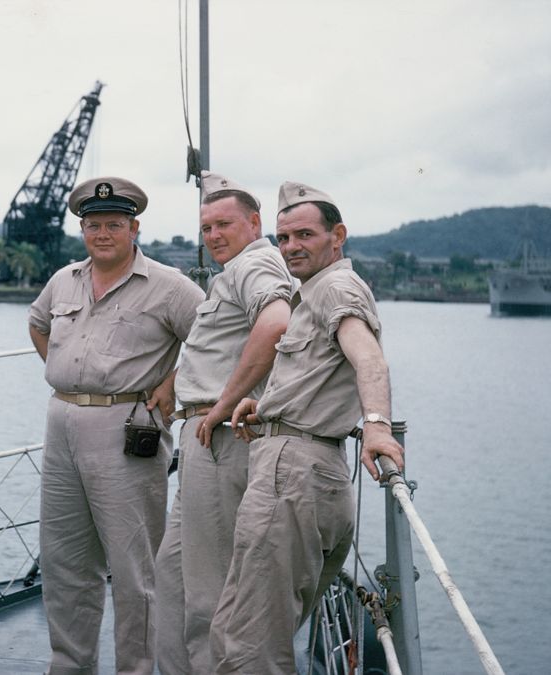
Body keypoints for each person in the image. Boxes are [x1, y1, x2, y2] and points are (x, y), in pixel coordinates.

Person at [211, 181, 406, 673]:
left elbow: (369, 360)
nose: (292, 247)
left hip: (292, 478)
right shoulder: (313, 292)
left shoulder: (335, 288)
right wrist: (270, 404)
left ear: (337, 235)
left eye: (304, 235)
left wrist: (378, 426)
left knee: (248, 641)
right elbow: (323, 372)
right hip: (313, 472)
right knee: (258, 628)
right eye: (284, 239)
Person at [29, 177, 204, 675]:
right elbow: (38, 323)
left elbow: (216, 339)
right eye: (93, 225)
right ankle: (70, 666)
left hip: (128, 426)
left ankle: (137, 669)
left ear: (134, 228)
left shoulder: (168, 286)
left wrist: (173, 384)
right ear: (82, 228)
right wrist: (64, 371)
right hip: (61, 422)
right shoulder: (65, 279)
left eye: (113, 225)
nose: (102, 233)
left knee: (134, 570)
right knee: (64, 563)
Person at [153, 173, 293, 674]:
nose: (213, 235)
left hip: (220, 438)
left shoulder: (255, 262)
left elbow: (276, 322)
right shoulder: (233, 271)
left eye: (224, 224)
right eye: (206, 227)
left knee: (209, 590)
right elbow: (222, 344)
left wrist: (223, 402)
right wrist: (178, 380)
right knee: (172, 576)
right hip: (201, 438)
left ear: (255, 223)